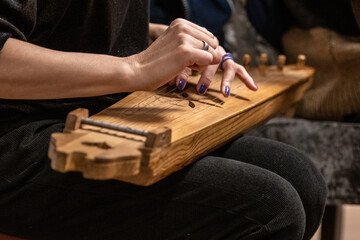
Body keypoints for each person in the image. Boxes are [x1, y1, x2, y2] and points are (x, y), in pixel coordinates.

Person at [0, 1, 326, 239]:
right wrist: (135, 68)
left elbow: (55, 21)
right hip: (16, 134)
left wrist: (157, 41)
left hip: (95, 110)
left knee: (301, 178)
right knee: (270, 210)